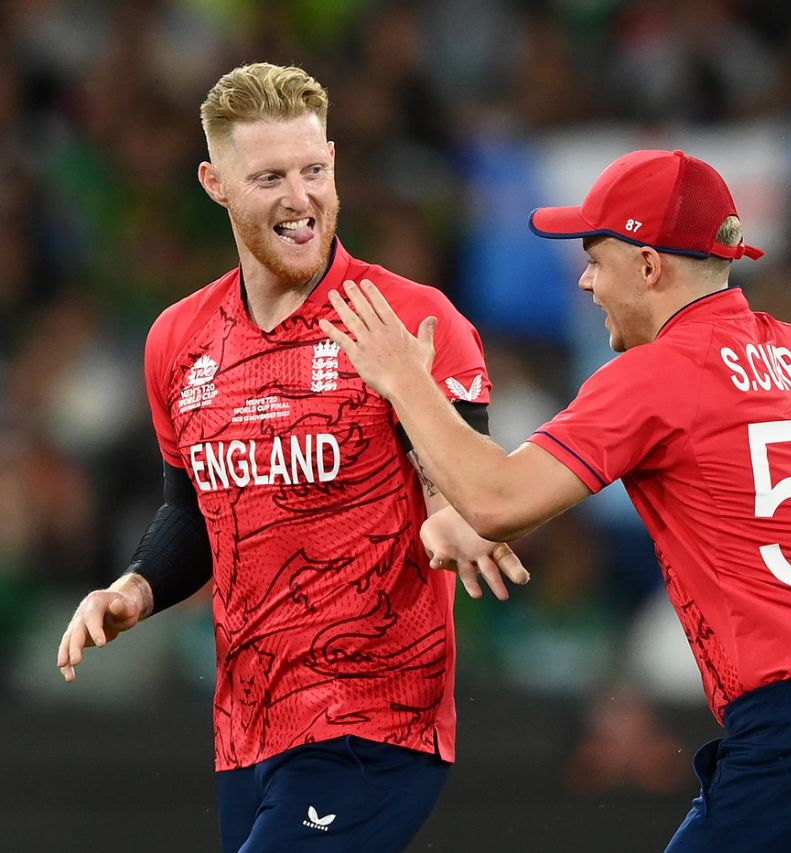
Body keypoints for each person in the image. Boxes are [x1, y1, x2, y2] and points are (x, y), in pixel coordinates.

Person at [320, 148, 791, 852]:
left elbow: (496, 499)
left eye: (594, 257)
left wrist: (404, 382)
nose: (584, 281)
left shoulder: (656, 375)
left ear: (648, 265)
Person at [54, 63, 528, 852]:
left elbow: (459, 475)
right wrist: (136, 586)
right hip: (247, 730)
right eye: (269, 176)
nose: (300, 197)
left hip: (374, 721)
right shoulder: (178, 340)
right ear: (215, 183)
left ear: (335, 162)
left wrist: (458, 518)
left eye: (313, 170)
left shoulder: (410, 318)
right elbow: (190, 509)